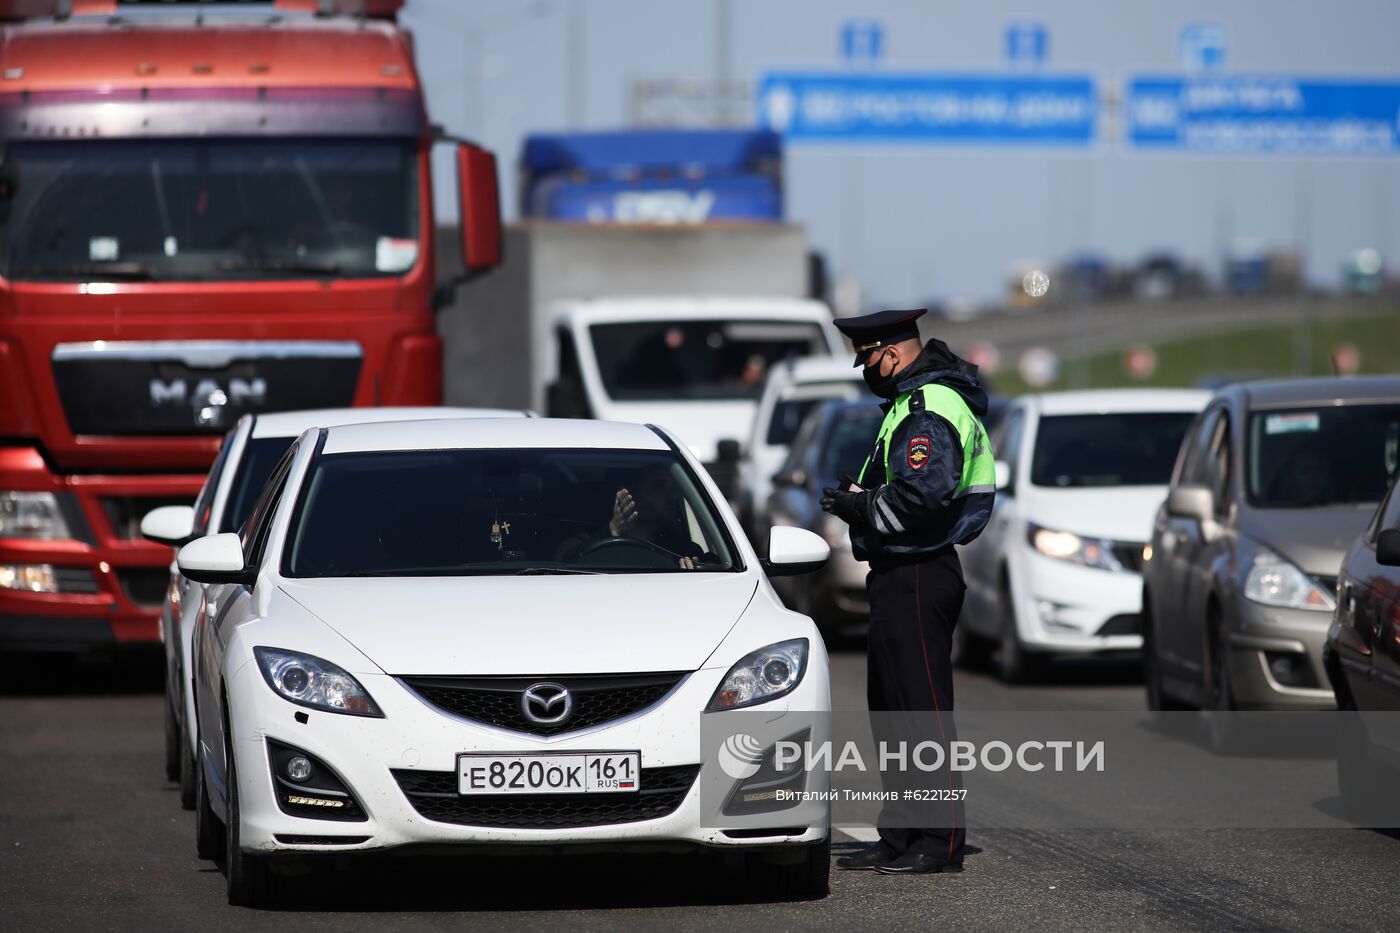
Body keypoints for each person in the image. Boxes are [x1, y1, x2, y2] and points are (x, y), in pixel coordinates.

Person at [820, 308, 995, 875]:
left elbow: (921, 499)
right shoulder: (909, 403)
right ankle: (898, 833)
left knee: (922, 714)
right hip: (899, 573)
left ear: (890, 354)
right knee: (892, 712)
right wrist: (862, 496)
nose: (867, 369)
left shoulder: (927, 408)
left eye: (868, 358)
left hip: (920, 571)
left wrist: (858, 505)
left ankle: (938, 838)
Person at [558, 466, 705, 569]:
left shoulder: (683, 550)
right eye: (659, 487)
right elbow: (565, 566)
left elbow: (718, 567)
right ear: (627, 493)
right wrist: (612, 531)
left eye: (672, 488)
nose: (671, 496)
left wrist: (692, 572)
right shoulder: (580, 542)